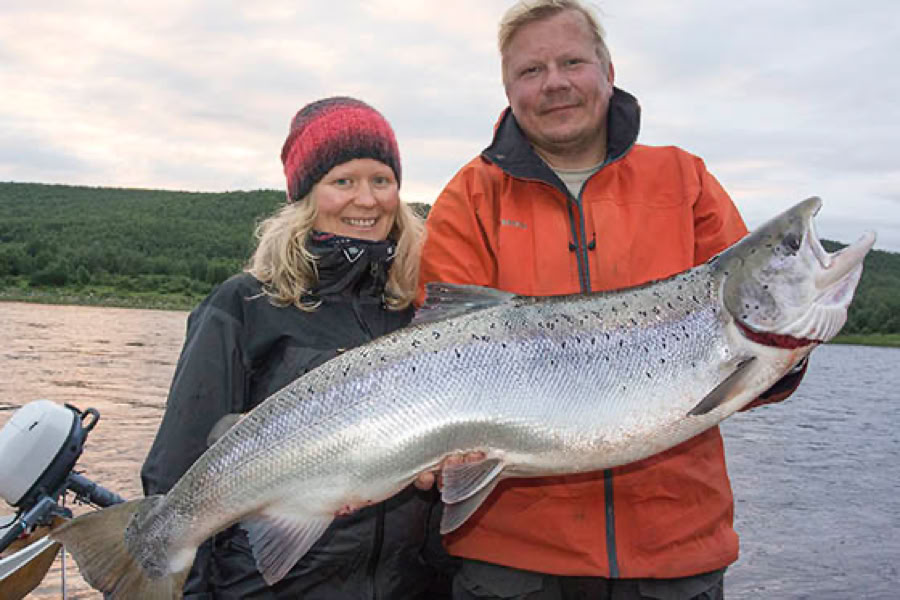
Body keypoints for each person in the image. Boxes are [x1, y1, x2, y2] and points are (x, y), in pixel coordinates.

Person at [418, 2, 808, 599]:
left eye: (572, 62)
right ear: (507, 88)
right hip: (512, 563)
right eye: (531, 70)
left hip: (676, 553)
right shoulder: (469, 197)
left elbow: (751, 360)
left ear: (608, 71)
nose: (554, 83)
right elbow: (438, 347)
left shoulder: (686, 180)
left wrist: (791, 349)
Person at [141, 96, 448, 599]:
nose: (367, 200)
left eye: (381, 180)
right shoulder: (243, 305)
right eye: (343, 181)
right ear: (307, 194)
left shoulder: (419, 310)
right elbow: (174, 472)